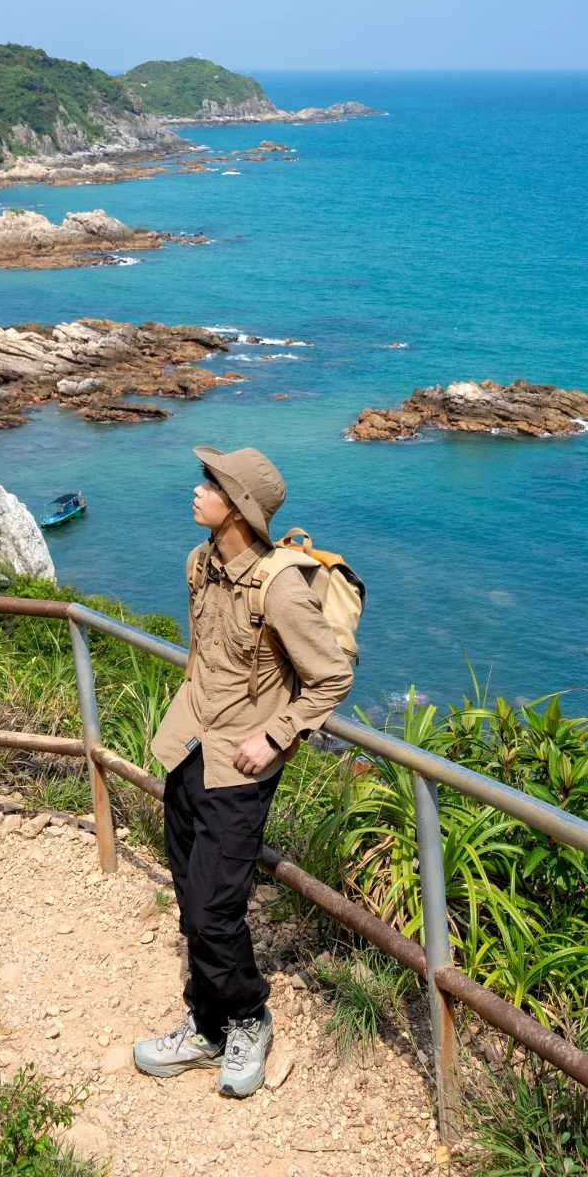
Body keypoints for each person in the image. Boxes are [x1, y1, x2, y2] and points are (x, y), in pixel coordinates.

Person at [133, 445, 354, 1097]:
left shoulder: (280, 587)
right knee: (190, 898)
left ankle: (249, 1018)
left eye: (211, 483)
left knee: (215, 912)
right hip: (187, 749)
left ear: (240, 509)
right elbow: (206, 661)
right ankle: (205, 1026)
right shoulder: (200, 564)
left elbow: (330, 676)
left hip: (240, 766)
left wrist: (275, 735)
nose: (197, 490)